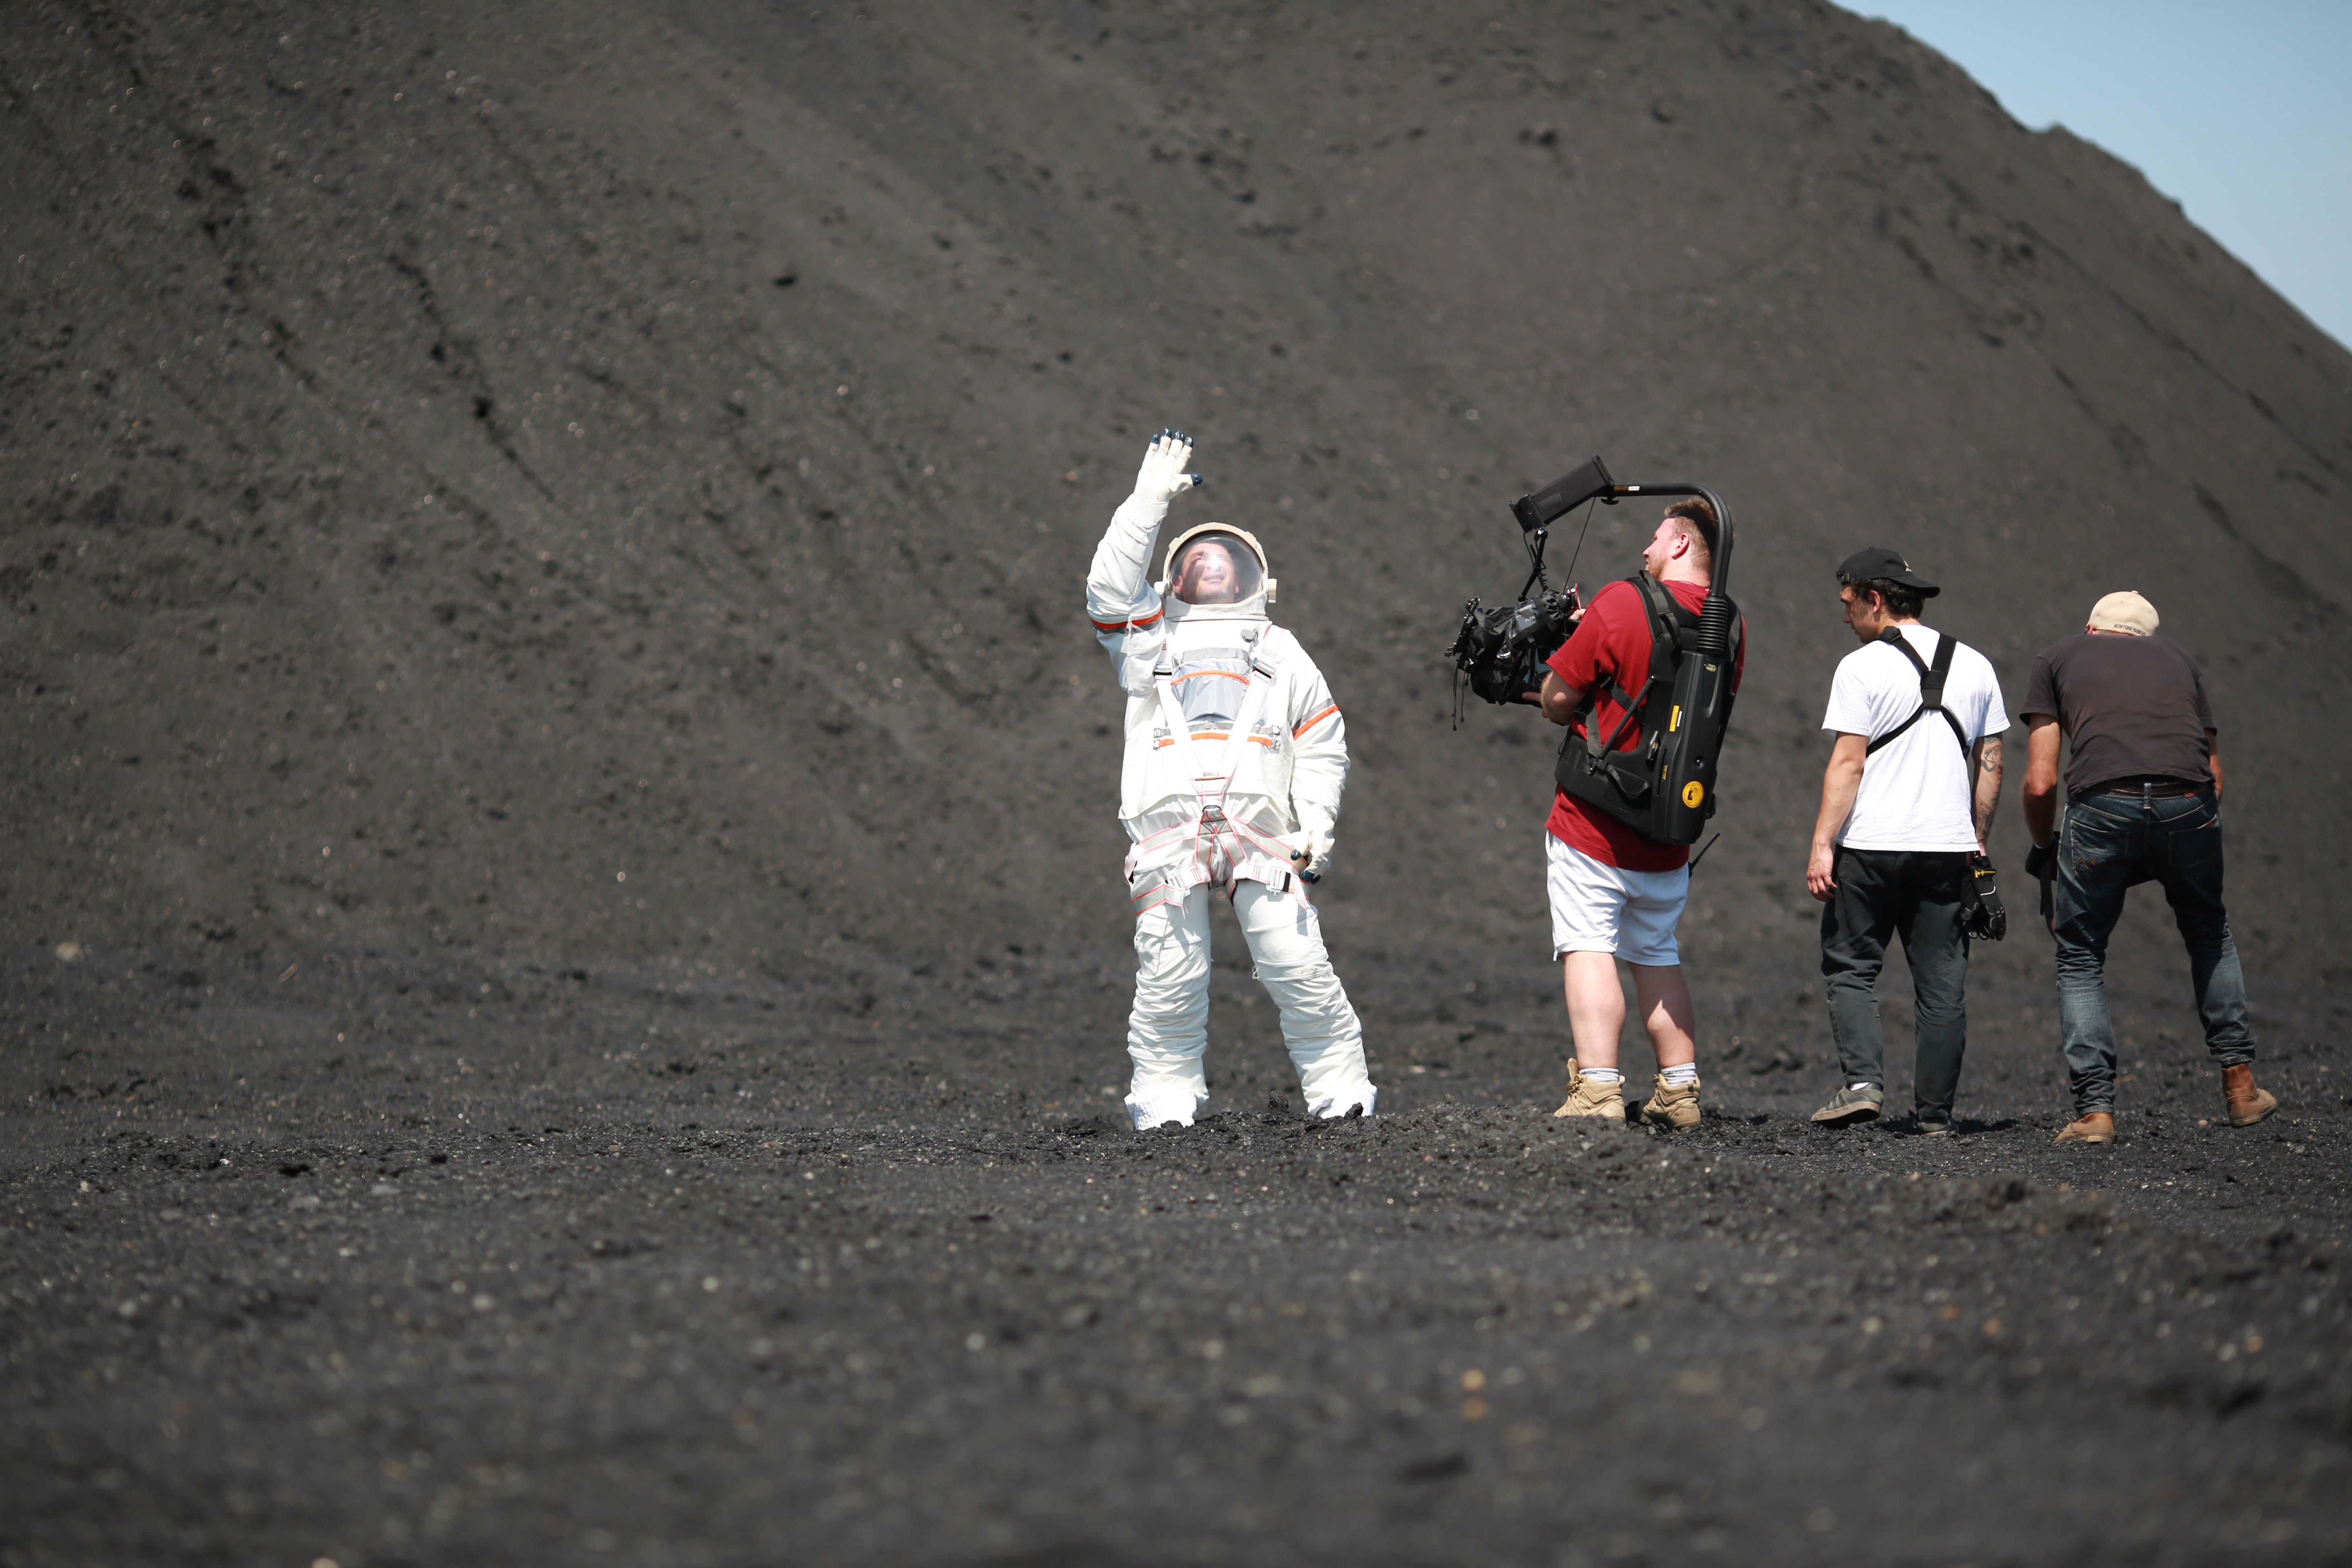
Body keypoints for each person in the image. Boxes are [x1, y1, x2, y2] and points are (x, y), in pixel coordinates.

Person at [1085, 429, 1377, 1130]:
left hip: (1263, 834)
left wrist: (1315, 825)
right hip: (1169, 835)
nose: (1213, 568)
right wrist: (1145, 506)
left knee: (1295, 964)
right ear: (1173, 579)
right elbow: (1106, 593)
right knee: (1170, 977)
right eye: (1199, 561)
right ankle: (1165, 1094)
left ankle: (1341, 1090)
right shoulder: (1148, 643)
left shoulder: (1280, 650)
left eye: (1225, 561)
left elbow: (1322, 742)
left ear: (1255, 580)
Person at [2019, 590, 2275, 1145]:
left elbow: (2040, 780)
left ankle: (2095, 1113)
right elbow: (2214, 773)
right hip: (2190, 803)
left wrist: (2045, 849)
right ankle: (2241, 1088)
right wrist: (2171, 836)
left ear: (2092, 630)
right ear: (2147, 639)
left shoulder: (2059, 657)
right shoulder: (2179, 661)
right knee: (2208, 930)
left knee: (2081, 951)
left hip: (2102, 802)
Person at [1530, 499, 1744, 1129]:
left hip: (1594, 822)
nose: (1644, 549)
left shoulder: (1622, 601)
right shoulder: (1731, 625)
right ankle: (1679, 1090)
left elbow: (1558, 697)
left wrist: (1576, 642)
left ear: (1680, 543)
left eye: (1654, 537)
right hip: (1671, 825)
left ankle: (1596, 1090)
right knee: (1656, 950)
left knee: (1588, 945)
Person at [1803, 549, 2007, 1135]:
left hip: (1870, 844)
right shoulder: (1976, 665)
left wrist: (1823, 844)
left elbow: (1848, 763)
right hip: (1947, 847)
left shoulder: (1861, 667)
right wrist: (1978, 842)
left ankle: (1864, 1085)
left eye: (1848, 604)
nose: (1844, 618)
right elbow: (1990, 765)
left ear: (1875, 599)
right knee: (1942, 982)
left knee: (1850, 964)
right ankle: (1937, 1116)